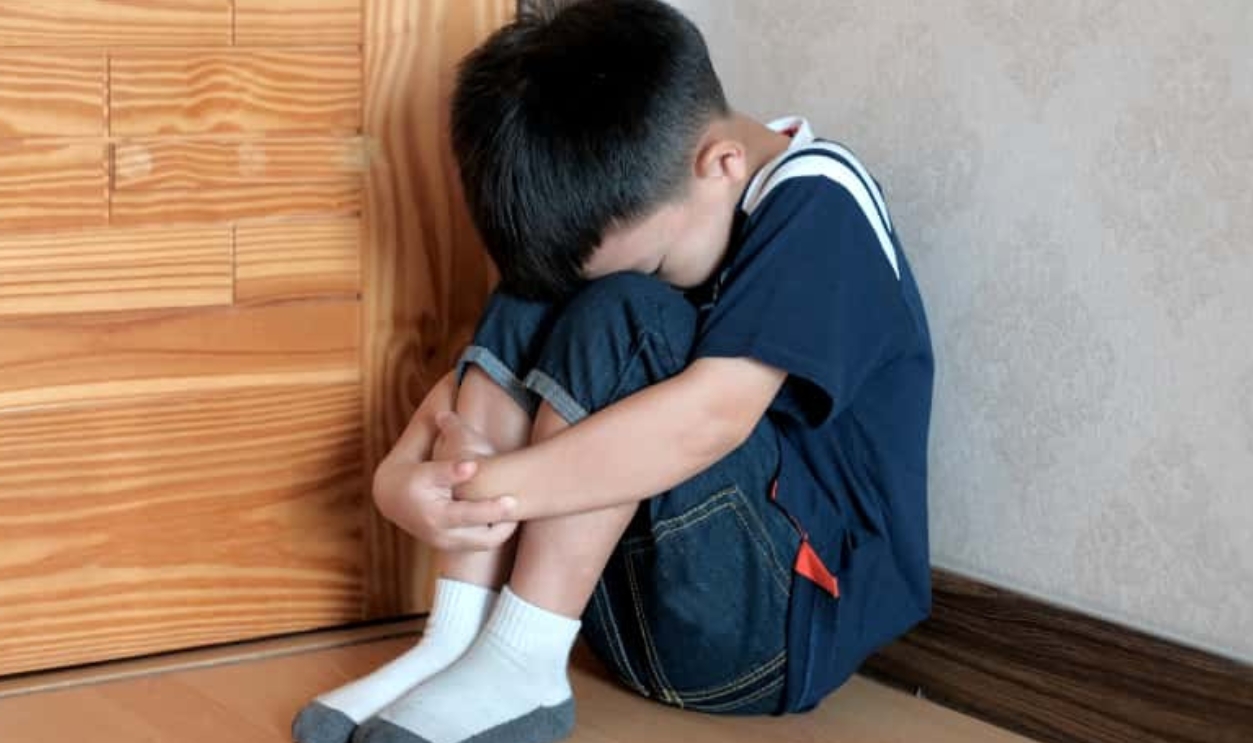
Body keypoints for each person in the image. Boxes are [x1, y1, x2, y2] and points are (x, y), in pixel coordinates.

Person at [293, 1, 934, 742]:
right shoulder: (687, 190)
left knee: (625, 311)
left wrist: (482, 491)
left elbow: (710, 419)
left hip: (779, 627)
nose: (656, 269)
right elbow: (464, 393)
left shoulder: (821, 200)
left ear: (723, 163)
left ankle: (521, 660)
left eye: (658, 253)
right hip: (614, 616)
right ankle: (458, 638)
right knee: (538, 284)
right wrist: (399, 480)